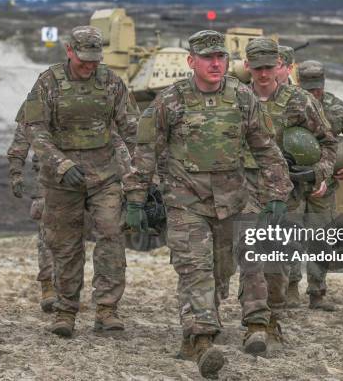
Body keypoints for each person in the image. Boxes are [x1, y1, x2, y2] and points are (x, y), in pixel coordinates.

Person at [124, 30, 293, 378]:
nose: (215, 64)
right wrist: (136, 199)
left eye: (221, 58)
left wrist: (277, 193)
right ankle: (201, 340)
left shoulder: (243, 98)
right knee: (196, 269)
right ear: (191, 62)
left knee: (250, 262)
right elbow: (145, 153)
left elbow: (266, 149)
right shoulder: (169, 102)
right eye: (207, 58)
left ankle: (257, 327)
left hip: (235, 197)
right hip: (186, 201)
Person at [21, 25, 136, 337]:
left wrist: (143, 168)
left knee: (112, 234)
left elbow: (131, 128)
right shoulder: (48, 82)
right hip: (61, 179)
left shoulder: (112, 83)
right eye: (83, 59)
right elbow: (34, 129)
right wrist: (61, 163)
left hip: (104, 175)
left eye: (94, 60)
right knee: (66, 244)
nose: (89, 66)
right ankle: (65, 310)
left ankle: (107, 309)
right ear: (70, 52)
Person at [242, 38, 337, 326]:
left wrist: (318, 172)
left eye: (269, 67)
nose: (263, 73)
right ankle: (254, 316)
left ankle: (272, 316)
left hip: (286, 193)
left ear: (280, 66)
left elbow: (329, 144)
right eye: (257, 67)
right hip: (243, 190)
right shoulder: (236, 99)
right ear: (247, 66)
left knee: (277, 259)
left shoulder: (300, 101)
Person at [297, 60, 343, 309]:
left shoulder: (338, 109)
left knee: (321, 239)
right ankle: (284, 292)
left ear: (323, 84)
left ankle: (316, 293)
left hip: (324, 187)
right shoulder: (285, 105)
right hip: (291, 184)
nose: (313, 94)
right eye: (308, 89)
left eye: (316, 89)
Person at [7, 119, 55, 313]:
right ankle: (49, 287)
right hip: (47, 172)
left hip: (84, 170)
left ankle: (70, 289)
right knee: (47, 230)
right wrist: (16, 172)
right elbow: (22, 134)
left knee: (76, 233)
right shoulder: (42, 94)